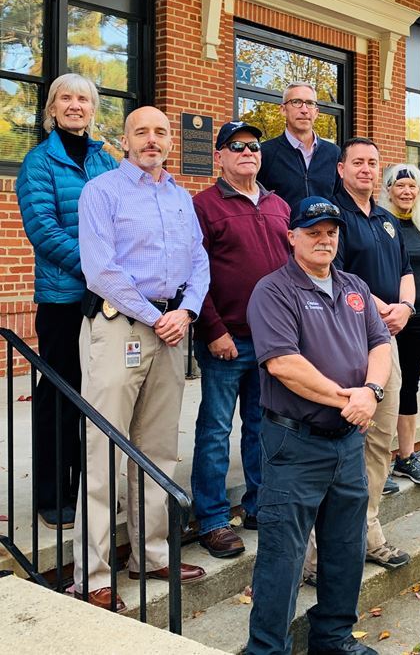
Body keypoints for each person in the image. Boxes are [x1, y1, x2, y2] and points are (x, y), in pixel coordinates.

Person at [74, 106, 210, 612]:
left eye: (160, 132)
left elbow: (199, 260)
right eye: (141, 132)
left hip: (174, 332)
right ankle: (92, 572)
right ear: (124, 140)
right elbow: (100, 269)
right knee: (104, 449)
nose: (152, 140)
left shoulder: (180, 198)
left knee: (157, 449)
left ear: (170, 141)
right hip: (120, 328)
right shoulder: (102, 192)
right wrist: (156, 317)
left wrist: (188, 311)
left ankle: (151, 554)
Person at [245, 196, 391, 655]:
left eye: (331, 232)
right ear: (291, 237)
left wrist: (372, 391)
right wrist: (349, 398)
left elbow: (380, 343)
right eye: (313, 232)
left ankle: (333, 637)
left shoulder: (354, 286)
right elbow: (283, 364)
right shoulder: (273, 290)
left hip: (348, 443)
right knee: (282, 556)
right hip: (295, 443)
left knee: (345, 548)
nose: (324, 239)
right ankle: (268, 649)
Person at [16, 73, 117, 530]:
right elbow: (44, 231)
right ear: (52, 109)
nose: (75, 105)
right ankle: (54, 493)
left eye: (83, 99)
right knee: (60, 393)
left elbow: (124, 218)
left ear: (93, 109)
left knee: (100, 392)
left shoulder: (106, 162)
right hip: (63, 299)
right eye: (65, 98)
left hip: (107, 299)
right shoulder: (39, 163)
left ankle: (91, 488)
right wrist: (99, 267)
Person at [191, 120, 290, 559]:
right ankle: (212, 519)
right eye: (236, 146)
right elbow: (193, 273)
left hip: (271, 341)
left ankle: (258, 505)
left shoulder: (278, 206)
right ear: (220, 156)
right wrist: (213, 329)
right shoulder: (203, 206)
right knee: (215, 430)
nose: (247, 152)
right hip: (227, 340)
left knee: (262, 427)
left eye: (253, 146)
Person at [330, 138, 414, 570]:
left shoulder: (386, 219)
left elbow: (405, 271)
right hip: (344, 340)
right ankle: (325, 546)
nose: (366, 169)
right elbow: (336, 274)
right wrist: (383, 311)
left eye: (373, 163)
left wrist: (405, 307)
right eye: (358, 162)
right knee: (343, 443)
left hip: (386, 342)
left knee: (381, 437)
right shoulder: (332, 216)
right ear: (341, 168)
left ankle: (369, 529)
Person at [378, 164, 420, 485]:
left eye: (412, 186)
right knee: (383, 387)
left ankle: (406, 457)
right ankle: (379, 460)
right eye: (400, 186)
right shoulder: (381, 224)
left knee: (410, 385)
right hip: (388, 318)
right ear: (388, 190)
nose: (406, 191)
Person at [257, 83, 340, 210]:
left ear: (316, 112)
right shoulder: (265, 153)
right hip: (282, 229)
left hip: (324, 229)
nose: (304, 110)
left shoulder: (333, 153)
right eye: (296, 102)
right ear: (283, 110)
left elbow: (340, 198)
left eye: (310, 103)